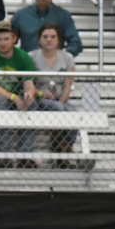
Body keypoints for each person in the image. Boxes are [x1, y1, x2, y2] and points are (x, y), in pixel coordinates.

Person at [0, 20, 37, 166]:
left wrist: (29, 94)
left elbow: (29, 84)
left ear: (14, 39)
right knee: (0, 102)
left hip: (15, 97)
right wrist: (13, 97)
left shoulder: (23, 56)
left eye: (6, 39)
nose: (2, 43)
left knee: (32, 103)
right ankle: (2, 154)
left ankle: (25, 155)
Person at [30, 23, 78, 167]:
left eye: (53, 37)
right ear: (39, 39)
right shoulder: (31, 57)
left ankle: (64, 152)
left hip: (60, 98)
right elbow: (28, 83)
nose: (49, 40)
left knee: (74, 116)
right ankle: (58, 150)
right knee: (58, 108)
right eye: (45, 36)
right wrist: (40, 93)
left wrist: (63, 100)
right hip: (39, 98)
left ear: (58, 40)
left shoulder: (67, 57)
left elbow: (68, 84)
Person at [10, 0, 83, 57]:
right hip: (27, 65)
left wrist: (64, 58)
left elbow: (75, 42)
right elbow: (8, 40)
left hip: (54, 66)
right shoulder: (20, 15)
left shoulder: (63, 15)